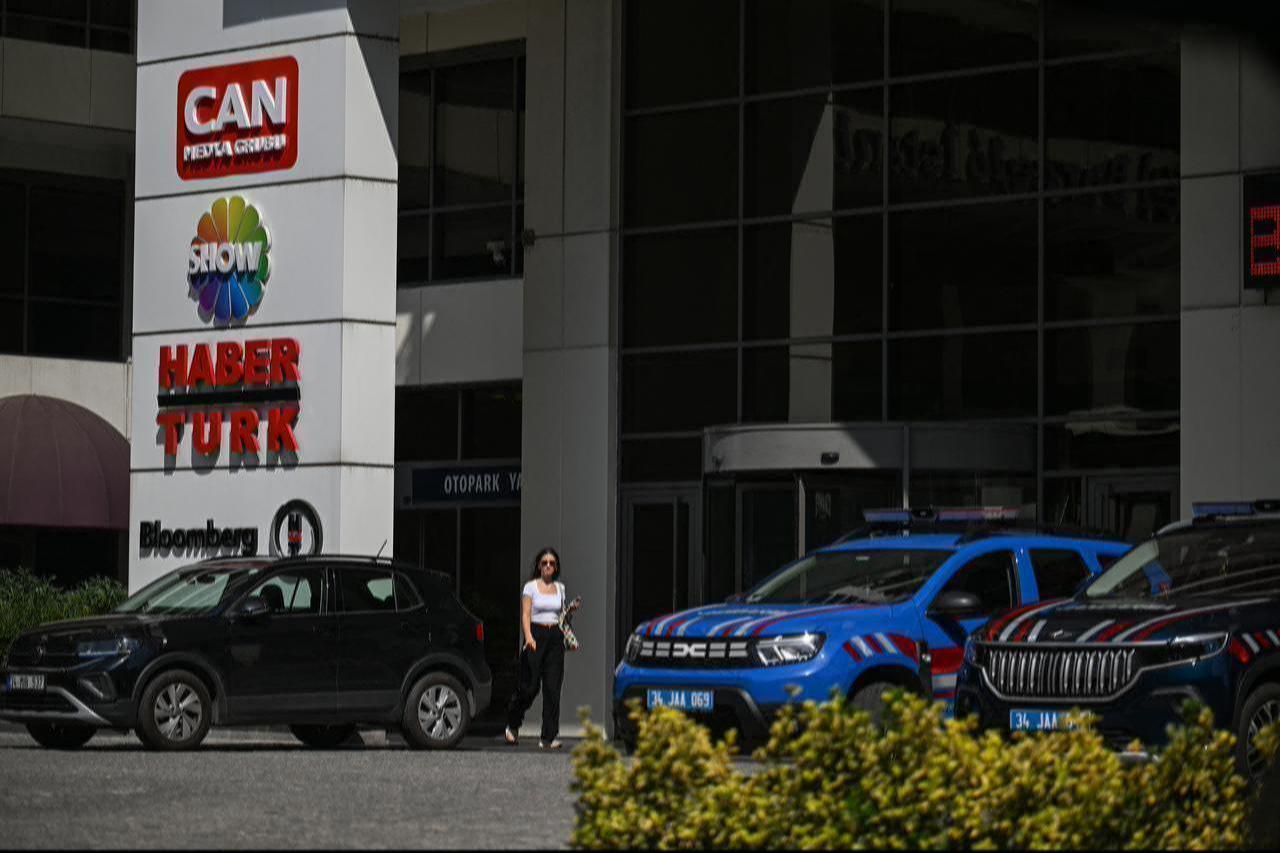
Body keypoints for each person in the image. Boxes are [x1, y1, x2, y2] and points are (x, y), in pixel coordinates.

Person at [504, 546, 580, 748]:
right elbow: (525, 614)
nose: (548, 566)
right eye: (544, 562)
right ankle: (513, 722)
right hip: (535, 635)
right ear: (539, 565)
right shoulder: (530, 587)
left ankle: (548, 736)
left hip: (554, 637)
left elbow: (561, 616)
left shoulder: (560, 588)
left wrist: (570, 610)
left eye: (552, 563)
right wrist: (528, 636)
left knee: (553, 687)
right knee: (529, 687)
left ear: (556, 567)